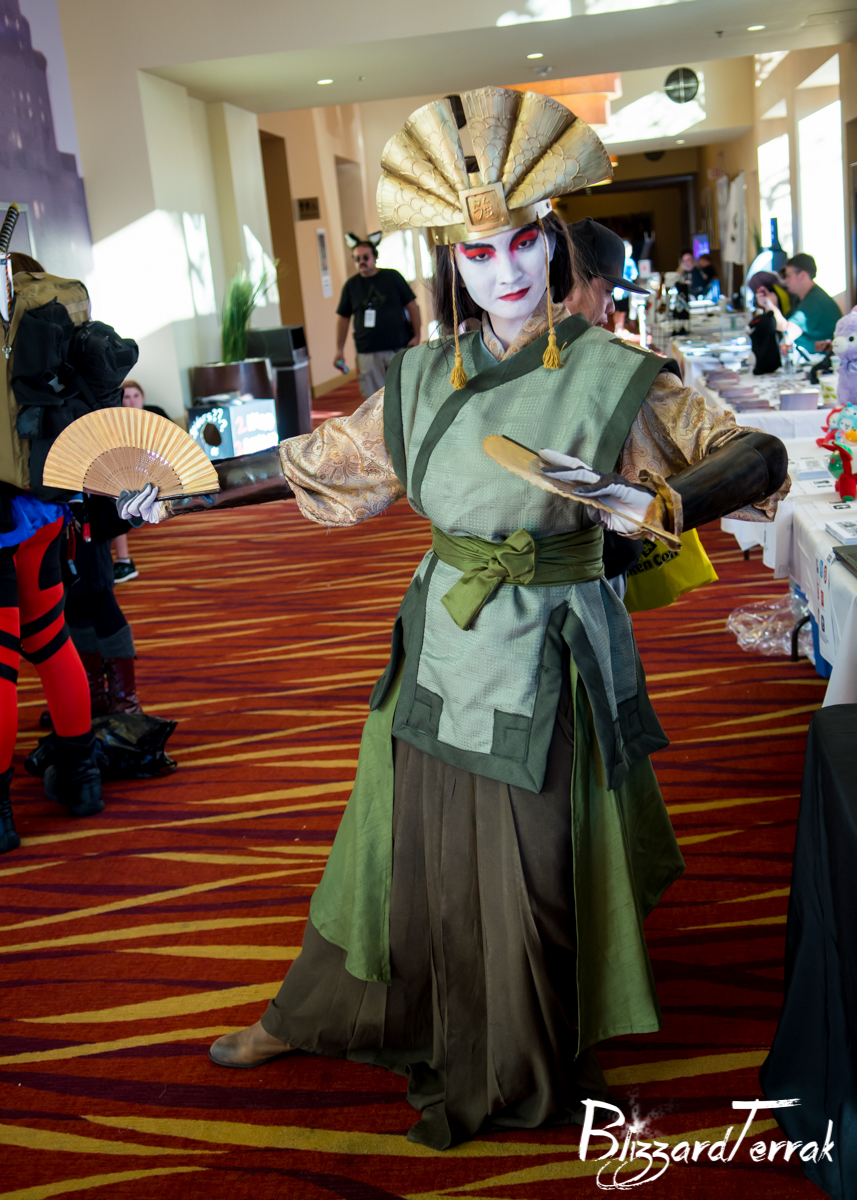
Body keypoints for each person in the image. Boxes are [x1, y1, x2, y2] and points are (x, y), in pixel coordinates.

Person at [116, 88, 789, 1150]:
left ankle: (526, 1044)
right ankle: (318, 1012)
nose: (504, 271)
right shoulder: (424, 376)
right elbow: (319, 466)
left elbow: (756, 454)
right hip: (441, 641)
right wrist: (184, 492)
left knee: (536, 866)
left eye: (521, 243)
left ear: (552, 243)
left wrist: (657, 512)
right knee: (392, 850)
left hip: (552, 653)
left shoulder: (620, 372)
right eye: (477, 253)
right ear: (452, 265)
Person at [1, 252, 106, 852]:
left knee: (0, 662)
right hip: (43, 505)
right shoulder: (44, 317)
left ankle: (0, 817)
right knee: (50, 640)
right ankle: (82, 780)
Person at [335, 234, 421, 398]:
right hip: (368, 350)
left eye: (365, 257)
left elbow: (411, 306)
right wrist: (339, 349)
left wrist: (417, 335)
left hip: (398, 345)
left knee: (404, 395)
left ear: (375, 257)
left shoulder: (393, 277)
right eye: (357, 258)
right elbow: (343, 318)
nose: (361, 261)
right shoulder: (351, 286)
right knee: (374, 399)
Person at [758, 252, 842, 356]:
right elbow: (780, 327)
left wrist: (772, 306)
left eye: (788, 276)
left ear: (802, 275)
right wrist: (768, 305)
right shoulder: (800, 298)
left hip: (827, 359)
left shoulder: (814, 300)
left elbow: (787, 334)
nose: (786, 280)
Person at [111, 379, 147, 583]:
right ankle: (123, 560)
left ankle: (123, 561)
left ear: (143, 397)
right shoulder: (116, 425)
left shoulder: (155, 418)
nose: (132, 401)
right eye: (127, 397)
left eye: (136, 396)